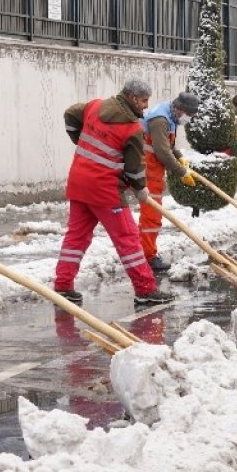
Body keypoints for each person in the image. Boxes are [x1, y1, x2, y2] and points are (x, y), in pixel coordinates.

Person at [55, 79, 170, 305]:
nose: (146, 106)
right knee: (128, 239)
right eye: (144, 101)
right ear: (132, 97)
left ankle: (62, 286)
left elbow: (70, 114)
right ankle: (145, 290)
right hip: (105, 191)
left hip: (78, 183)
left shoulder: (95, 106)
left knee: (75, 237)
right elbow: (135, 169)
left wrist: (80, 142)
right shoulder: (131, 128)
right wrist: (141, 189)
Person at [139, 92, 200, 272]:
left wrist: (180, 157)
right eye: (189, 115)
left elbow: (168, 145)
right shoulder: (160, 119)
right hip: (148, 169)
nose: (189, 119)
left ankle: (139, 251)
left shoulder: (169, 114)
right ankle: (147, 257)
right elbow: (162, 152)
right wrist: (181, 172)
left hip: (153, 170)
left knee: (150, 214)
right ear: (180, 110)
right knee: (152, 215)